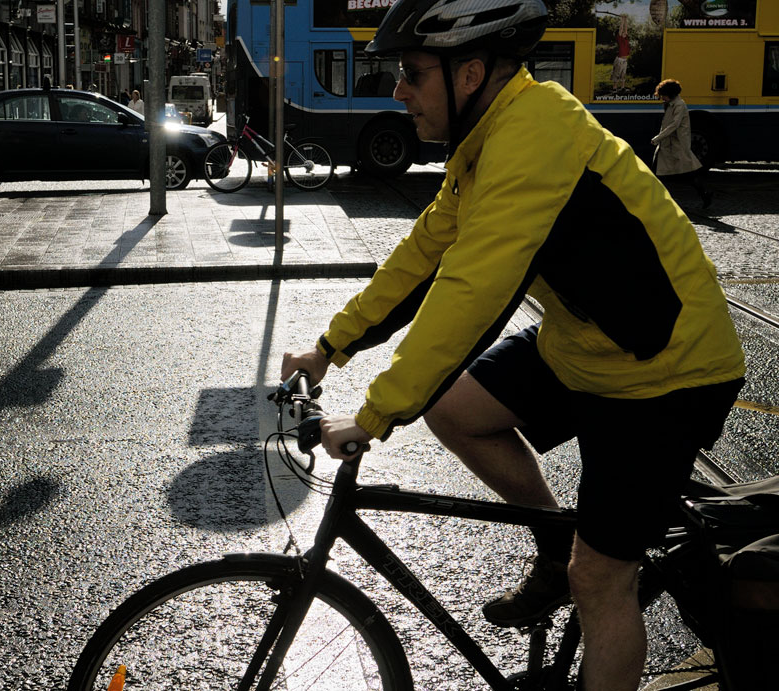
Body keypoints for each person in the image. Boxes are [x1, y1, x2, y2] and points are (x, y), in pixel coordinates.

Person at [279, 2, 745, 690]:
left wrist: (373, 415)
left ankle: (581, 570)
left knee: (602, 579)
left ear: (469, 73)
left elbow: (472, 292)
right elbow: (424, 255)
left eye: (410, 73)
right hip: (588, 345)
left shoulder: (535, 136)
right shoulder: (490, 137)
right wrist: (329, 345)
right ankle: (556, 543)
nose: (398, 90)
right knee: (456, 410)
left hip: (668, 373)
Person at [652, 78, 712, 208]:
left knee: (686, 174)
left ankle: (705, 195)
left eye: (663, 95)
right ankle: (704, 195)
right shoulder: (672, 103)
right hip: (669, 143)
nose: (661, 98)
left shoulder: (679, 105)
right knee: (666, 172)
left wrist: (658, 137)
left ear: (670, 94)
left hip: (676, 144)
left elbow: (674, 125)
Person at [611, 15, 630, 92]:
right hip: (619, 60)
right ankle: (614, 88)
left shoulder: (626, 39)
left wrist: (625, 20)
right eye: (622, 33)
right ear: (620, 34)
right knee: (617, 74)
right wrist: (622, 20)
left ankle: (622, 87)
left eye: (625, 33)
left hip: (625, 60)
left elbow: (625, 29)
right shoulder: (620, 39)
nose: (624, 33)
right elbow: (621, 29)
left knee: (623, 74)